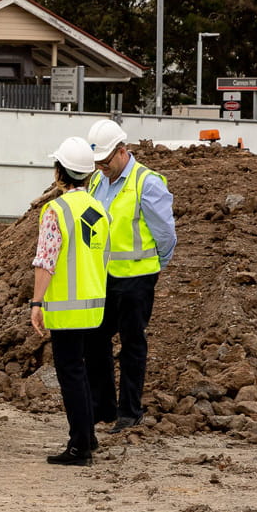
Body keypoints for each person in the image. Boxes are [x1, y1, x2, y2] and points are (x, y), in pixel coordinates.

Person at [86, 119, 177, 432]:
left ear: (122, 152)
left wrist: (154, 266)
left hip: (136, 279)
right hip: (104, 278)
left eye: (105, 162)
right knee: (95, 339)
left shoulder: (146, 182)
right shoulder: (98, 183)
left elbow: (165, 235)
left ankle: (129, 411)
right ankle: (104, 407)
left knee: (132, 345)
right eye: (97, 163)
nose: (101, 168)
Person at [31, 137, 110, 466]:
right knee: (87, 373)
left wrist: (37, 303)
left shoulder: (56, 210)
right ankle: (88, 436)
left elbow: (45, 262)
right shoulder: (98, 209)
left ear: (58, 172)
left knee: (71, 375)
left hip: (67, 307)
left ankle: (80, 446)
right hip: (94, 306)